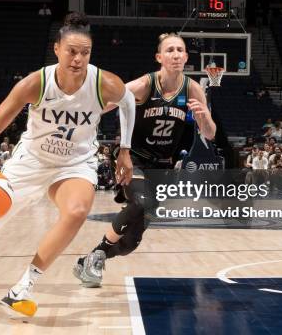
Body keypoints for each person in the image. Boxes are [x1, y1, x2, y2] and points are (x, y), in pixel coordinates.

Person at [0, 12, 135, 317]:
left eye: (84, 53)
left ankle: (23, 287)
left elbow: (128, 101)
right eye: (71, 51)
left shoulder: (103, 82)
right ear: (57, 49)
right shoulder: (36, 83)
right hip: (32, 161)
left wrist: (124, 149)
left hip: (75, 163)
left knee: (76, 211)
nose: (77, 59)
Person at [73, 32, 216, 287]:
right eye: (169, 50)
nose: (175, 54)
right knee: (141, 201)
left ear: (186, 56)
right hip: (134, 159)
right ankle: (96, 257)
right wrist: (77, 116)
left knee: (130, 244)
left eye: (180, 50)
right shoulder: (146, 84)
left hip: (164, 170)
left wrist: (204, 116)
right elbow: (105, 104)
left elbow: (210, 133)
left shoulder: (193, 89)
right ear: (159, 57)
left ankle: (90, 259)